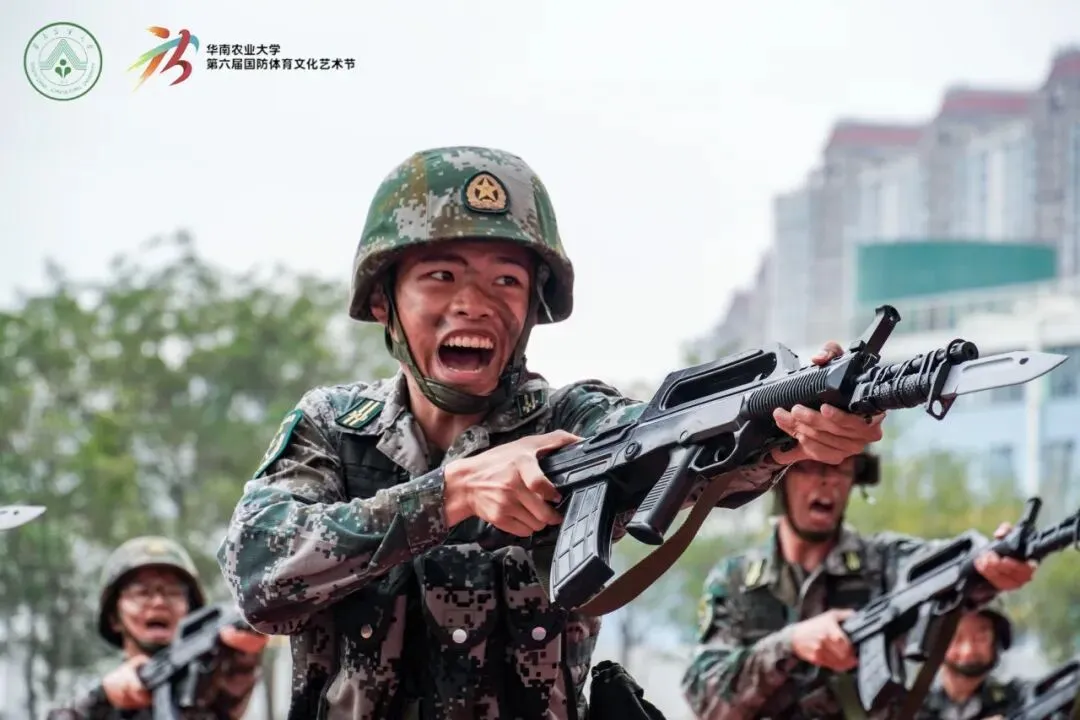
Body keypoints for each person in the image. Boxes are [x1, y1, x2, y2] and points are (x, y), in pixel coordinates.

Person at [215, 145, 884, 720]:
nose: (473, 303)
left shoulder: (572, 422)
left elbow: (668, 443)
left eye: (505, 280)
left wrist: (787, 434)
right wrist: (451, 493)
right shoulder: (333, 430)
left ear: (533, 306)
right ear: (384, 301)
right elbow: (258, 576)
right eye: (441, 276)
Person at [681, 450, 1038, 720]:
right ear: (781, 481)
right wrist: (790, 645)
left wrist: (991, 563)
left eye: (841, 467)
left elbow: (944, 568)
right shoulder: (737, 580)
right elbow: (705, 700)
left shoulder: (881, 562)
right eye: (810, 467)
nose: (827, 481)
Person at [47, 536, 268, 719]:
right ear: (114, 618)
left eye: (173, 592)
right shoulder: (87, 685)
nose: (159, 602)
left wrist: (244, 651)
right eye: (142, 592)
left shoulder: (207, 678)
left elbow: (234, 684)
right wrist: (102, 697)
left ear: (191, 611)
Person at [916, 601, 1024, 720]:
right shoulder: (913, 709)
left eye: (981, 638)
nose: (968, 651)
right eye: (956, 638)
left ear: (996, 642)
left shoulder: (1017, 699)